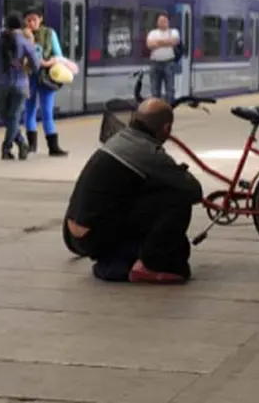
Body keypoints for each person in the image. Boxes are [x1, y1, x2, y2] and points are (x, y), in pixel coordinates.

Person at [63, 98, 203, 284]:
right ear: (167, 128)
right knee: (176, 198)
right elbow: (193, 191)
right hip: (95, 236)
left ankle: (126, 259)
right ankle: (150, 264)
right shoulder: (147, 152)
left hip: (74, 234)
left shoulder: (120, 138)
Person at [0, 11, 39, 160]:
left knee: (8, 118)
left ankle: (18, 145)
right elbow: (36, 64)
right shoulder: (24, 41)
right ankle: (9, 147)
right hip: (19, 83)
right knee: (14, 117)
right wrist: (27, 68)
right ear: (21, 26)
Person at [23, 8, 68, 157]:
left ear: (40, 19)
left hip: (46, 78)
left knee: (47, 111)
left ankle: (53, 147)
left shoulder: (50, 34)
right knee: (29, 111)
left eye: (34, 19)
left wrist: (46, 63)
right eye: (28, 20)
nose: (31, 23)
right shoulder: (23, 35)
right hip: (28, 77)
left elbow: (59, 56)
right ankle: (31, 145)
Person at [146, 12, 180, 105]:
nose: (162, 22)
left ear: (168, 22)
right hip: (155, 64)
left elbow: (174, 41)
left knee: (170, 89)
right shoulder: (152, 33)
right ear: (157, 22)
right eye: (160, 21)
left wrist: (158, 42)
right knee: (155, 89)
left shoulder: (174, 32)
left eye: (164, 21)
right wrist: (166, 42)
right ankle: (156, 110)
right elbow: (149, 45)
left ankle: (169, 109)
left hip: (169, 63)